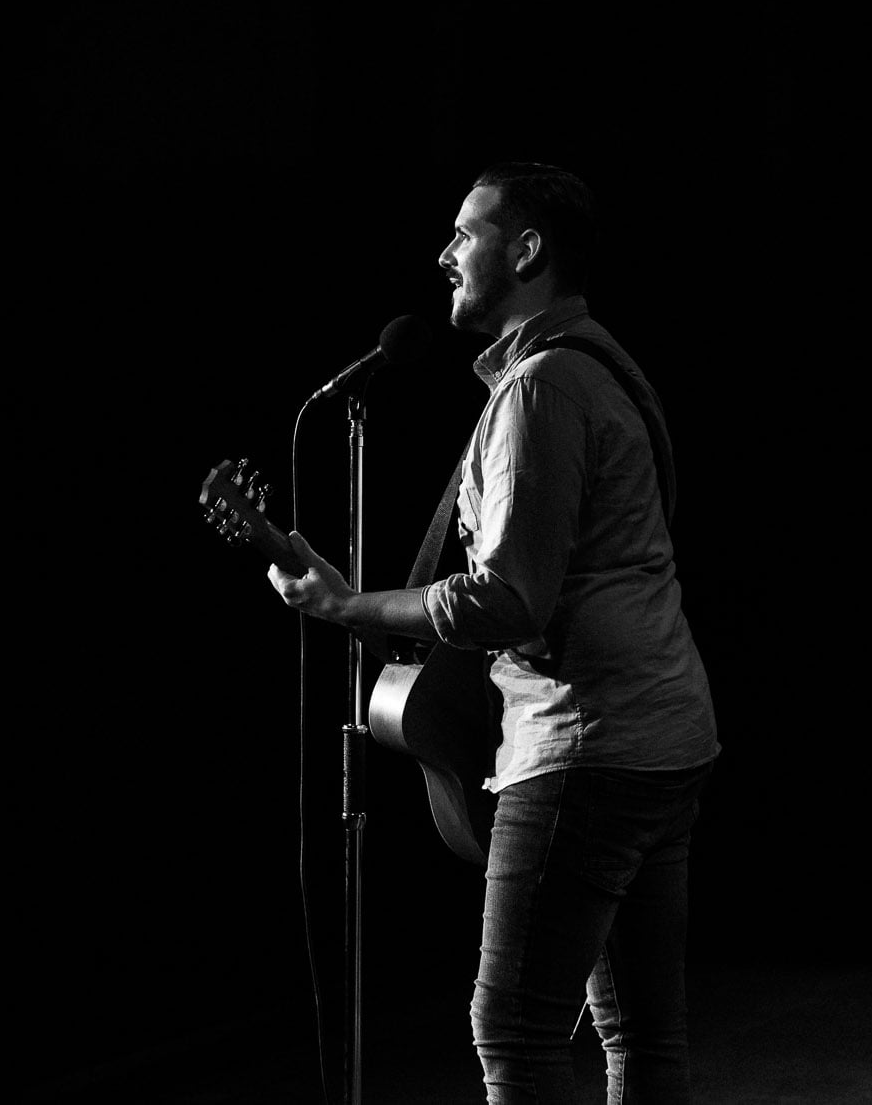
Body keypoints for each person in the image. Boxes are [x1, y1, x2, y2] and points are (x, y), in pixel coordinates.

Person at [268, 162, 719, 1103]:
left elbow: (506, 599)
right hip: (665, 734)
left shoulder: (542, 390)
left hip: (585, 743)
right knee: (643, 1036)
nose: (444, 253)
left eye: (464, 234)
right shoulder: (601, 368)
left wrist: (352, 608)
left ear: (526, 251)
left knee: (512, 1030)